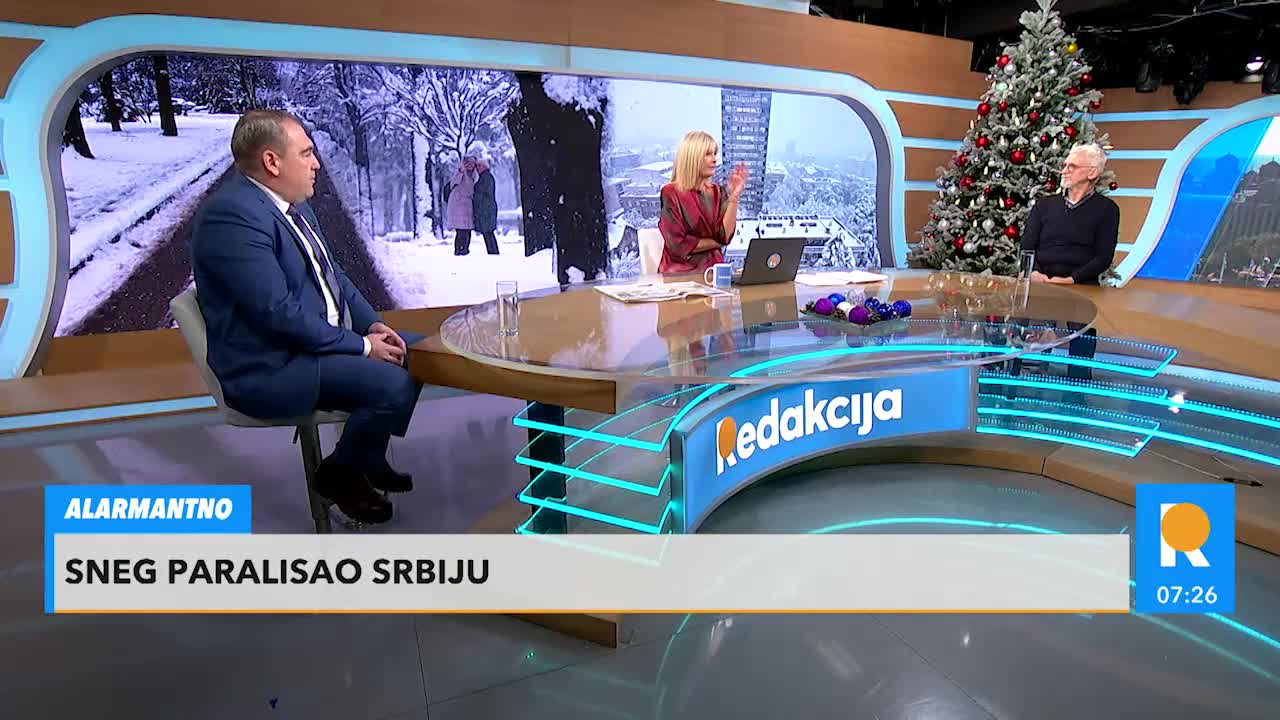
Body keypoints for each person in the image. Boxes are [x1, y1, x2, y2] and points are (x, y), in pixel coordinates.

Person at [191, 109, 423, 525]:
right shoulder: (231, 216)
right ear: (272, 162)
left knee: (418, 353)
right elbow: (276, 314)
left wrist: (371, 324)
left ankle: (365, 456)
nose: (316, 163)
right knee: (391, 381)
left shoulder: (293, 205)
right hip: (271, 365)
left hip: (314, 347)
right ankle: (340, 474)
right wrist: (362, 347)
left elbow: (334, 275)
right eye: (306, 153)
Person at [1021, 143, 1120, 285]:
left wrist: (1071, 279)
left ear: (1092, 173)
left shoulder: (1107, 209)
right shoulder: (1044, 205)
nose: (1064, 171)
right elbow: (1027, 247)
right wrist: (1034, 273)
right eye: (1065, 165)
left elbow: (1103, 258)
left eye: (1072, 166)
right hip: (1039, 282)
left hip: (1080, 285)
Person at [657, 130, 749, 273]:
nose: (714, 159)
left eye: (715, 154)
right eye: (708, 154)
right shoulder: (670, 192)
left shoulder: (717, 192)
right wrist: (716, 243)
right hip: (680, 275)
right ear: (692, 157)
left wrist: (734, 196)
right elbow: (678, 245)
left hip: (714, 271)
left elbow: (725, 237)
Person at [446, 153, 477, 255]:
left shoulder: (473, 175)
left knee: (467, 230)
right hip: (458, 205)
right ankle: (459, 250)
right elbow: (454, 181)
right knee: (461, 231)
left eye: (472, 164)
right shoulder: (460, 172)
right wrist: (461, 170)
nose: (470, 166)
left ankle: (465, 249)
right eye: (468, 163)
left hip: (468, 206)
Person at [471, 153, 499, 255]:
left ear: (485, 166)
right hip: (486, 210)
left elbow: (481, 194)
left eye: (479, 166)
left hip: (486, 210)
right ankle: (493, 252)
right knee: (488, 233)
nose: (477, 168)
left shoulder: (486, 178)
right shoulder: (484, 177)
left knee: (488, 233)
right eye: (476, 166)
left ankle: (493, 253)